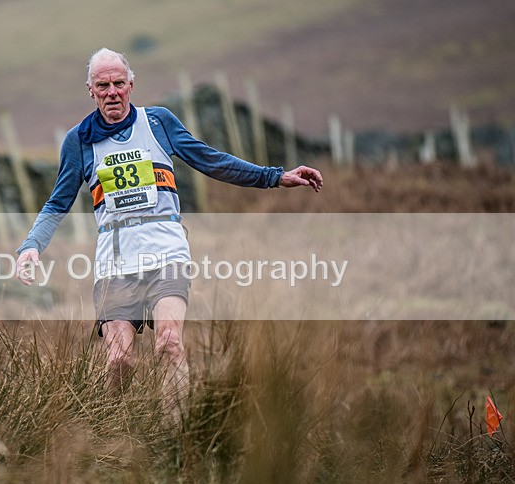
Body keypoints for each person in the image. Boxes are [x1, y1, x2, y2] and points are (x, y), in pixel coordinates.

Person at [16, 48, 323, 423]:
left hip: (167, 251)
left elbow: (212, 160)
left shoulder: (158, 123)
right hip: (116, 259)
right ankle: (111, 433)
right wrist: (31, 246)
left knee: (170, 343)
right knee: (119, 361)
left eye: (118, 84)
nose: (112, 92)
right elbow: (57, 202)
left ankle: (175, 438)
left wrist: (275, 176)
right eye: (102, 85)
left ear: (131, 85)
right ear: (90, 91)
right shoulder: (78, 141)